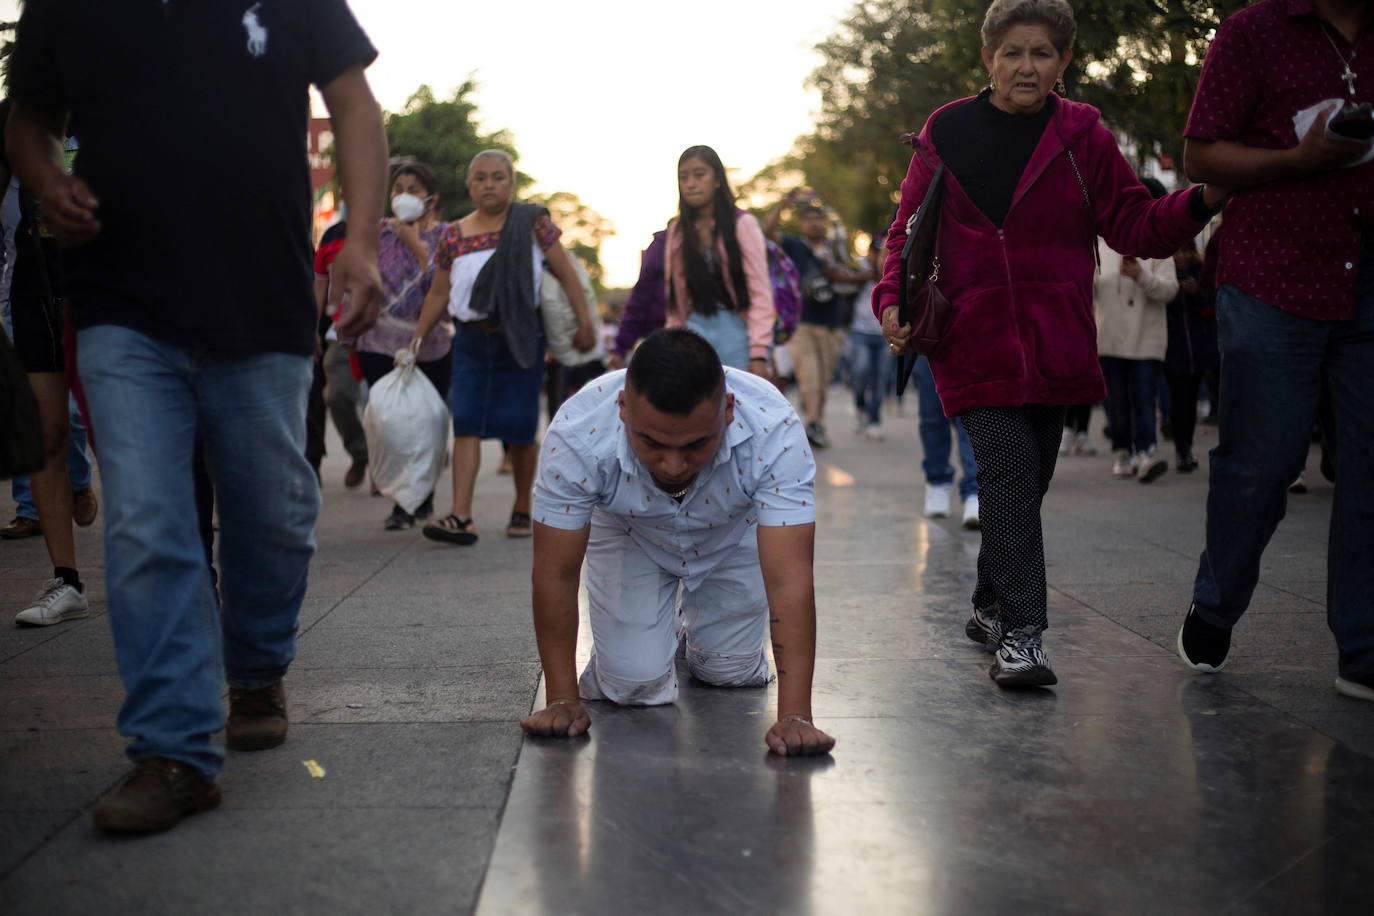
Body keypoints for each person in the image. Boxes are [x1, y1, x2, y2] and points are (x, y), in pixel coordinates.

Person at [5, 0, 387, 831]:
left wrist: (360, 239)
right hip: (119, 302)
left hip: (261, 296)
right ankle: (173, 750)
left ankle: (255, 668)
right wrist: (44, 178)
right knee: (147, 522)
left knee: (275, 511)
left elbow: (354, 102)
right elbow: (29, 114)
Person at [877, 0, 1223, 687]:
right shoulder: (947, 129)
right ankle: (1024, 637)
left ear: (1063, 62)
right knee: (1005, 471)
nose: (1025, 66)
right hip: (971, 340)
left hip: (1058, 339)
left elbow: (1132, 223)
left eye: (1041, 53)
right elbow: (905, 232)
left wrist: (1206, 198)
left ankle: (986, 603)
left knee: (1024, 486)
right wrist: (890, 299)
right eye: (1011, 52)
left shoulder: (1082, 133)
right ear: (988, 58)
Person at [1174, 0, 1374, 705]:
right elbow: (1199, 155)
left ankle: (1363, 646)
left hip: (1367, 272)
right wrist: (1302, 158)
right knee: (1267, 459)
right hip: (1272, 272)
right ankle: (1216, 603)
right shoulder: (1253, 30)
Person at [519, 328, 835, 757]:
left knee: (729, 671)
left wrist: (796, 716)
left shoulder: (773, 428)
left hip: (729, 530)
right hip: (630, 530)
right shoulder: (578, 433)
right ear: (622, 411)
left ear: (728, 411)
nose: (672, 465)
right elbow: (555, 574)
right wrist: (560, 699)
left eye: (695, 445)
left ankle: (686, 627)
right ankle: (648, 627)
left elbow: (790, 581)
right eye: (651, 443)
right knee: (632, 684)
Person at [411, 149, 595, 545]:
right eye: (480, 178)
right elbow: (439, 292)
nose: (489, 184)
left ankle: (523, 507)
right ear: (469, 185)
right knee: (466, 425)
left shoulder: (532, 224)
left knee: (521, 429)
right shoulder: (453, 235)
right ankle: (461, 516)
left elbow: (566, 274)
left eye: (498, 177)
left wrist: (585, 322)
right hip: (470, 341)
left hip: (520, 337)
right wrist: (417, 338)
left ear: (511, 184)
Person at [0, 102, 93, 627]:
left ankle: (153, 572)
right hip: (33, 292)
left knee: (121, 433)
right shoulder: (12, 122)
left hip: (106, 289)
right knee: (48, 435)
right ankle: (68, 581)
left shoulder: (108, 107)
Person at [347, 159, 453, 529]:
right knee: (390, 424)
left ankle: (421, 498)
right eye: (398, 189)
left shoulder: (445, 236)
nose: (403, 196)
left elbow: (443, 288)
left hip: (431, 345)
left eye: (413, 190)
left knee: (427, 425)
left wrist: (416, 244)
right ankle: (400, 502)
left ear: (430, 199)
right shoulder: (376, 233)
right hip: (378, 344)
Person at [765, 193, 870, 448]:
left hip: (832, 324)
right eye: (809, 220)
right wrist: (783, 204)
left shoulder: (836, 249)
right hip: (802, 324)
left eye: (818, 219)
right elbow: (767, 231)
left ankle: (816, 421)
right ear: (801, 224)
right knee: (809, 375)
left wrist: (863, 275)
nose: (814, 224)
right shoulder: (795, 247)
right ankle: (812, 423)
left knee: (823, 380)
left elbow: (849, 276)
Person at [1094, 176, 1178, 483]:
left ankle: (1146, 452)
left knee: (1143, 396)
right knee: (1116, 400)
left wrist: (1141, 276)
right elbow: (1091, 288)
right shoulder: (1103, 247)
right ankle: (1121, 452)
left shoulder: (1160, 248)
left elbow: (1170, 291)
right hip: (1110, 339)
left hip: (1147, 340)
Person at [663, 146, 774, 376]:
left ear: (717, 180)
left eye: (699, 174)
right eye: (683, 177)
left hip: (736, 331)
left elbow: (760, 291)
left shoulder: (743, 224)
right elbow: (674, 295)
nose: (690, 183)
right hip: (692, 332)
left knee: (736, 406)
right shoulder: (677, 230)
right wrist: (672, 338)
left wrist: (758, 352)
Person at [312, 219, 370, 491]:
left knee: (382, 408)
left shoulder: (388, 231)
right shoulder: (331, 236)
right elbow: (320, 285)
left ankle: (389, 470)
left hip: (381, 337)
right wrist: (311, 327)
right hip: (341, 337)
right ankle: (361, 452)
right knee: (337, 396)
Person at [1163, 240, 1218, 473]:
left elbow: (1210, 306)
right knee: (1179, 401)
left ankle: (1188, 447)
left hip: (1198, 348)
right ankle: (1181, 450)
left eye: (1186, 250)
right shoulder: (1166, 273)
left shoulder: (1201, 273)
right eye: (1177, 250)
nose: (1182, 255)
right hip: (1173, 349)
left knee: (1191, 401)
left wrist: (1195, 292)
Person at [913, 356, 981, 528]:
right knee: (932, 415)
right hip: (928, 340)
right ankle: (937, 481)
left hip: (970, 337)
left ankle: (974, 490)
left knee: (969, 412)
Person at [846, 231, 895, 441]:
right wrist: (861, 276)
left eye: (880, 252)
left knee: (880, 379)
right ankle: (860, 407)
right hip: (860, 333)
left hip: (884, 334)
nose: (876, 257)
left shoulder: (892, 273)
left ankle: (874, 420)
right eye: (873, 253)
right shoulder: (859, 272)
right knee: (859, 372)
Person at [607, 230, 667, 369]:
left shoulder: (723, 239)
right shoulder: (663, 243)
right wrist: (621, 348)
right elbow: (639, 300)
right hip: (662, 343)